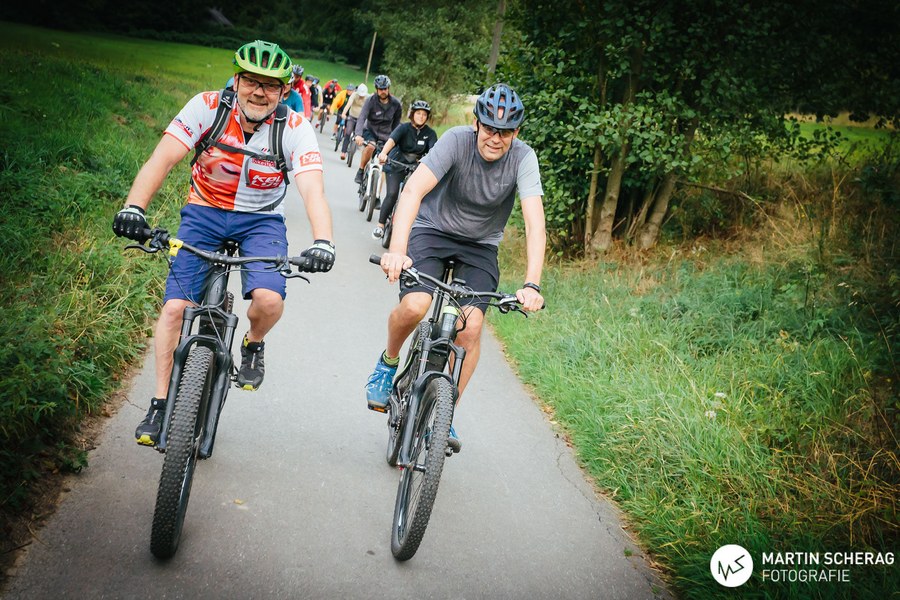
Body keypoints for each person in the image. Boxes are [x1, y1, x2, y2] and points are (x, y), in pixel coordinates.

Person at [112, 40, 335, 447]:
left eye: (270, 85)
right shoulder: (207, 107)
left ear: (284, 91)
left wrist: (324, 241)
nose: (259, 92)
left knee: (269, 300)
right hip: (204, 212)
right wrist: (134, 208)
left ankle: (253, 344)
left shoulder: (294, 128)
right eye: (250, 81)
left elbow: (312, 189)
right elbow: (162, 159)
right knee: (175, 308)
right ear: (236, 80)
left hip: (261, 221)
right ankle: (159, 404)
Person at [366, 83, 545, 450]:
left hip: (480, 246)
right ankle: (388, 362)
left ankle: (444, 415)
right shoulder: (455, 141)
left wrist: (532, 284)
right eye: (489, 128)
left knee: (471, 327)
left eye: (505, 132)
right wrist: (396, 250)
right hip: (432, 230)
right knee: (416, 305)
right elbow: (413, 191)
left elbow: (534, 222)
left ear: (516, 132)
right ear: (476, 124)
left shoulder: (524, 158)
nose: (495, 138)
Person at [372, 100, 436, 240]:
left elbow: (434, 151)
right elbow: (392, 141)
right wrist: (383, 153)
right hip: (397, 163)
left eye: (424, 114)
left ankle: (411, 230)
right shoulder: (403, 128)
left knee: (417, 198)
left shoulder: (430, 133)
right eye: (418, 113)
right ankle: (380, 225)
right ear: (412, 114)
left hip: (416, 167)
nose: (421, 117)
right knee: (392, 193)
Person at [353, 74, 402, 185]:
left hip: (386, 135)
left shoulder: (396, 104)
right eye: (380, 89)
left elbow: (396, 124)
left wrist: (396, 139)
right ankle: (361, 170)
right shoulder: (370, 101)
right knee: (371, 146)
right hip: (370, 131)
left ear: (388, 88)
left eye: (385, 89)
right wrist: (358, 134)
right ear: (376, 89)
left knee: (384, 162)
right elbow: (362, 117)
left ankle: (377, 192)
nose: (383, 91)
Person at [339, 83, 368, 161]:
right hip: (352, 116)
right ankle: (343, 152)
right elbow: (349, 104)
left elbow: (370, 109)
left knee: (359, 134)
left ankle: (355, 148)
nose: (361, 96)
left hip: (361, 119)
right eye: (360, 95)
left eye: (362, 95)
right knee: (348, 132)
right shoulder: (354, 95)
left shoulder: (368, 98)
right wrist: (344, 113)